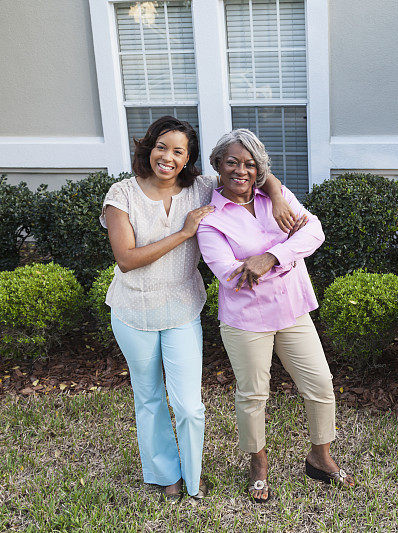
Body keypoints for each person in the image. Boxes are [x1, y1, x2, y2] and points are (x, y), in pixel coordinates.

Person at [100, 116, 294, 501]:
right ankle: (164, 472)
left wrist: (275, 195)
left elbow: (251, 168)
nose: (167, 157)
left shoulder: (201, 187)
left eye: (178, 151)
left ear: (188, 160)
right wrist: (185, 233)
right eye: (161, 147)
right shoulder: (121, 195)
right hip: (131, 311)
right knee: (149, 397)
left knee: (189, 404)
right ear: (148, 148)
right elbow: (126, 259)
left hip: (182, 310)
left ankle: (193, 474)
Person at [197, 129, 356, 504]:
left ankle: (320, 456)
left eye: (250, 164)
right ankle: (259, 464)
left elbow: (314, 232)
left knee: (320, 384)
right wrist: (288, 252)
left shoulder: (277, 200)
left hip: (292, 309)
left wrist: (272, 256)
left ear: (260, 170)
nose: (241, 171)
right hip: (245, 319)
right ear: (218, 164)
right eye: (232, 162)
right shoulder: (210, 219)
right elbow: (231, 274)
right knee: (253, 394)